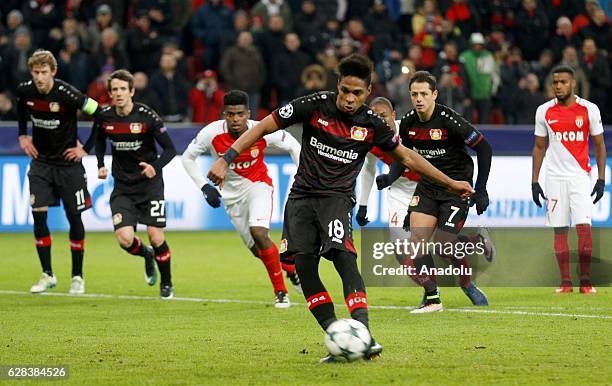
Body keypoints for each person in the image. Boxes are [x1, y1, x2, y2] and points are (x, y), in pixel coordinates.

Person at [207, 54, 474, 362]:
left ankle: (363, 333)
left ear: (368, 91)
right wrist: (226, 158)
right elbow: (263, 127)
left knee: (343, 259)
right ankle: (338, 334)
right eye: (345, 90)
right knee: (303, 267)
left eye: (357, 93)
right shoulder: (314, 104)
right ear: (338, 86)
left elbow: (409, 158)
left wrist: (451, 183)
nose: (349, 98)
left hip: (336, 199)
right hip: (301, 198)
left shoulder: (372, 124)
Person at [376, 71, 493, 313]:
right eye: (414, 94)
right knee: (416, 242)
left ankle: (476, 244)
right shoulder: (408, 123)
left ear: (434, 95)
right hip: (428, 187)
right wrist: (390, 177)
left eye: (423, 94)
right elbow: (403, 156)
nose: (418, 99)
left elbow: (484, 147)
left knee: (443, 245)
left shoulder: (450, 121)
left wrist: (480, 189)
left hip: (456, 188)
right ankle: (432, 297)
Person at [182, 90, 302, 307]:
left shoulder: (262, 129)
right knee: (258, 251)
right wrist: (204, 187)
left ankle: (281, 293)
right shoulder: (211, 133)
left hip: (259, 186)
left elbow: (293, 144)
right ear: (223, 114)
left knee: (259, 232)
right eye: (230, 114)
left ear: (248, 113)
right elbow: (188, 158)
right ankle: (290, 269)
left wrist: (303, 173)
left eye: (239, 114)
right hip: (231, 198)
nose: (235, 119)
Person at [17, 50, 100, 295]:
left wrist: (85, 148)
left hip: (68, 165)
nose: (39, 78)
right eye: (36, 73)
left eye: (44, 72)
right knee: (38, 214)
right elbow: (22, 110)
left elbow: (100, 113)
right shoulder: (25, 90)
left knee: (74, 217)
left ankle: (77, 276)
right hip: (41, 163)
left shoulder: (67, 94)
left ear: (53, 72)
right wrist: (23, 135)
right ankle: (47, 273)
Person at [94, 69, 177, 299]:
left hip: (149, 185)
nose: (119, 93)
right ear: (110, 93)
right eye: (115, 89)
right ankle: (147, 255)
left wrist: (155, 167)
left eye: (123, 89)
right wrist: (100, 163)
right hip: (122, 186)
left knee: (156, 236)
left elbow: (170, 149)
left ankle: (167, 283)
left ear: (131, 91)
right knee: (125, 239)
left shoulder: (146, 116)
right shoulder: (105, 116)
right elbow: (99, 140)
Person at [531, 65, 606, 294]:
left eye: (563, 82)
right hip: (554, 178)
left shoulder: (589, 109)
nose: (558, 86)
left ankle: (585, 281)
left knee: (584, 228)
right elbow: (539, 147)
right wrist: (534, 181)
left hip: (580, 177)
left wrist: (601, 179)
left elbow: (600, 145)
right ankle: (565, 282)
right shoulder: (544, 111)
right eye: (555, 82)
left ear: (573, 83)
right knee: (560, 229)